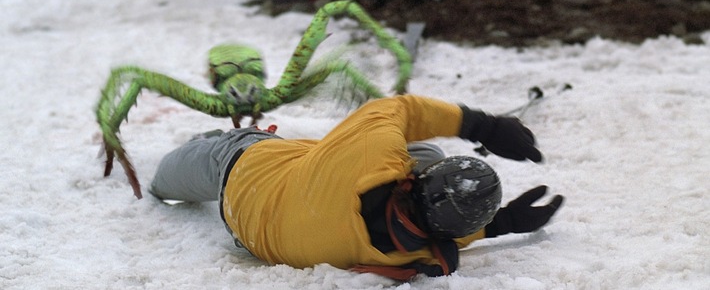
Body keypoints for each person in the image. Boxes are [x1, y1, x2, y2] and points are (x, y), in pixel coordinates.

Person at [149, 94, 564, 280]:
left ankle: (216, 138)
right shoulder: (421, 257)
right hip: (252, 232)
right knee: (421, 149)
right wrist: (503, 223)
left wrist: (483, 125)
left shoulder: (373, 154)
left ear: (412, 181)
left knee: (160, 185)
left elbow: (396, 108)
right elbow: (456, 235)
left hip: (240, 164)